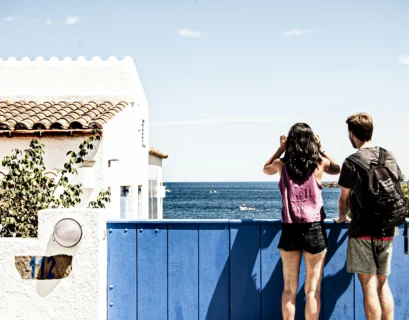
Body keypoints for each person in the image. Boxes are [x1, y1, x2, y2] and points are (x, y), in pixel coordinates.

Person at [263, 123, 340, 320]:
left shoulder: (282, 165)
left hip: (290, 229)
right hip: (315, 229)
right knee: (312, 290)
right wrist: (321, 147)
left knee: (289, 289)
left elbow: (265, 169)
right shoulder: (319, 163)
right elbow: (338, 168)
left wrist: (281, 149)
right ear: (311, 141)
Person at [335, 113, 404, 320]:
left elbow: (344, 199)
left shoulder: (351, 161)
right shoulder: (388, 155)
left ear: (351, 133)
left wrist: (341, 217)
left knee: (369, 286)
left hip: (363, 231)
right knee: (383, 284)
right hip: (388, 228)